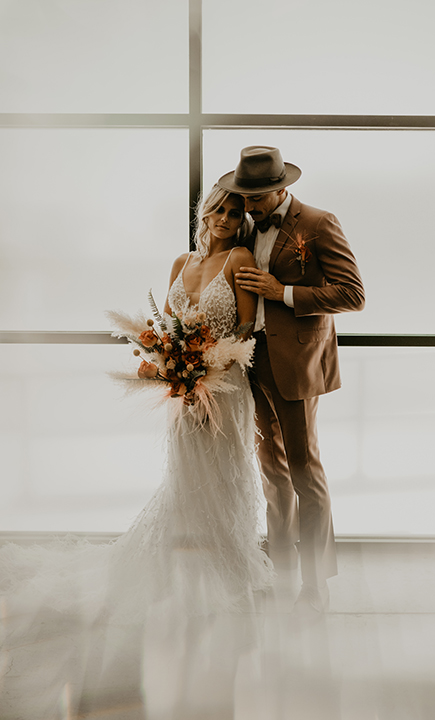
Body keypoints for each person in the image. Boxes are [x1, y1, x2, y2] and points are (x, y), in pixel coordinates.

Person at [0, 184, 274, 717]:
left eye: (236, 210)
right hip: (182, 388)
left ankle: (223, 560)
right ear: (206, 210)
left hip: (221, 387)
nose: (226, 216)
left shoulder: (239, 259)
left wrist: (203, 373)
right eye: (219, 207)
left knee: (221, 473)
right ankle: (185, 556)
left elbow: (242, 332)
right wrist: (171, 365)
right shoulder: (181, 260)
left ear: (242, 219)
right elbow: (165, 325)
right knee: (184, 475)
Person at [217, 145, 365, 612]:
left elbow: (352, 294)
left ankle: (316, 584)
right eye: (244, 195)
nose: (249, 205)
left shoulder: (319, 224)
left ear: (282, 187)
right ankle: (278, 567)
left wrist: (283, 293)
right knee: (272, 472)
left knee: (305, 472)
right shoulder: (244, 225)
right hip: (252, 360)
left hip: (298, 363)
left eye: (257, 196)